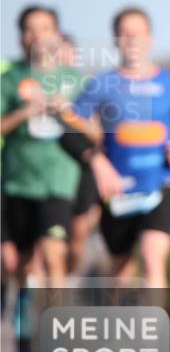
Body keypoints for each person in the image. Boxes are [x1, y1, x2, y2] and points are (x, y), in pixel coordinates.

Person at [72, 6, 170, 289]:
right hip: (117, 189)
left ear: (150, 39)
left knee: (153, 257)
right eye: (124, 34)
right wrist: (97, 161)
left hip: (160, 183)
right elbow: (68, 131)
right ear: (115, 40)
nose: (132, 40)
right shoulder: (101, 84)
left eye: (138, 33)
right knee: (120, 269)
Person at [0, 6, 86, 352]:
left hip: (59, 180)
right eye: (30, 28)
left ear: (56, 33)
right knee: (16, 262)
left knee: (54, 254)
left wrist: (68, 113)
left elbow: (96, 131)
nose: (37, 35)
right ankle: (23, 316)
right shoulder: (10, 78)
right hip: (16, 181)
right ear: (22, 36)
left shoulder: (76, 81)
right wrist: (23, 112)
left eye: (44, 27)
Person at [57, 33, 103, 276]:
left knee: (76, 243)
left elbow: (98, 132)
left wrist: (70, 116)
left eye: (66, 51)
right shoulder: (35, 84)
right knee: (47, 245)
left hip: (81, 170)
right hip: (48, 173)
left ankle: (68, 279)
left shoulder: (88, 86)